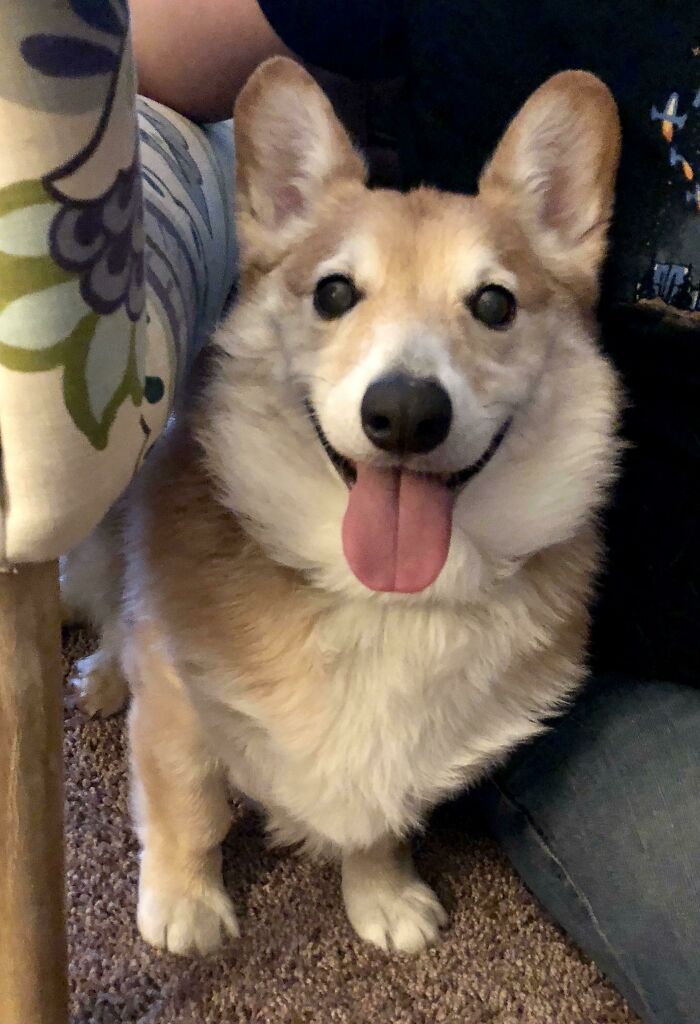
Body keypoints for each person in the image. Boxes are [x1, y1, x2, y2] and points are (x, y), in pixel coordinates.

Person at [130, 2, 700, 1020]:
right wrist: (181, 857)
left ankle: (374, 853)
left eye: (487, 305)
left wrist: (375, 858)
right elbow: (150, 46)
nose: (404, 392)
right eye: (340, 293)